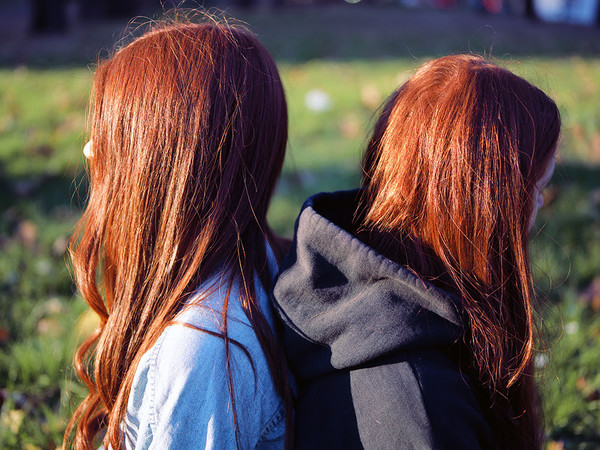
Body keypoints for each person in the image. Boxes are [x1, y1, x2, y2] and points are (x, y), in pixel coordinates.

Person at [273, 54, 560, 449]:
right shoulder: (424, 413)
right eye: (537, 190)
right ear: (484, 211)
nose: (541, 206)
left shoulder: (346, 289)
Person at [65, 18, 292, 449]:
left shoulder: (201, 353)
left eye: (116, 132)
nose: (90, 149)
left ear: (164, 164)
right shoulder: (255, 258)